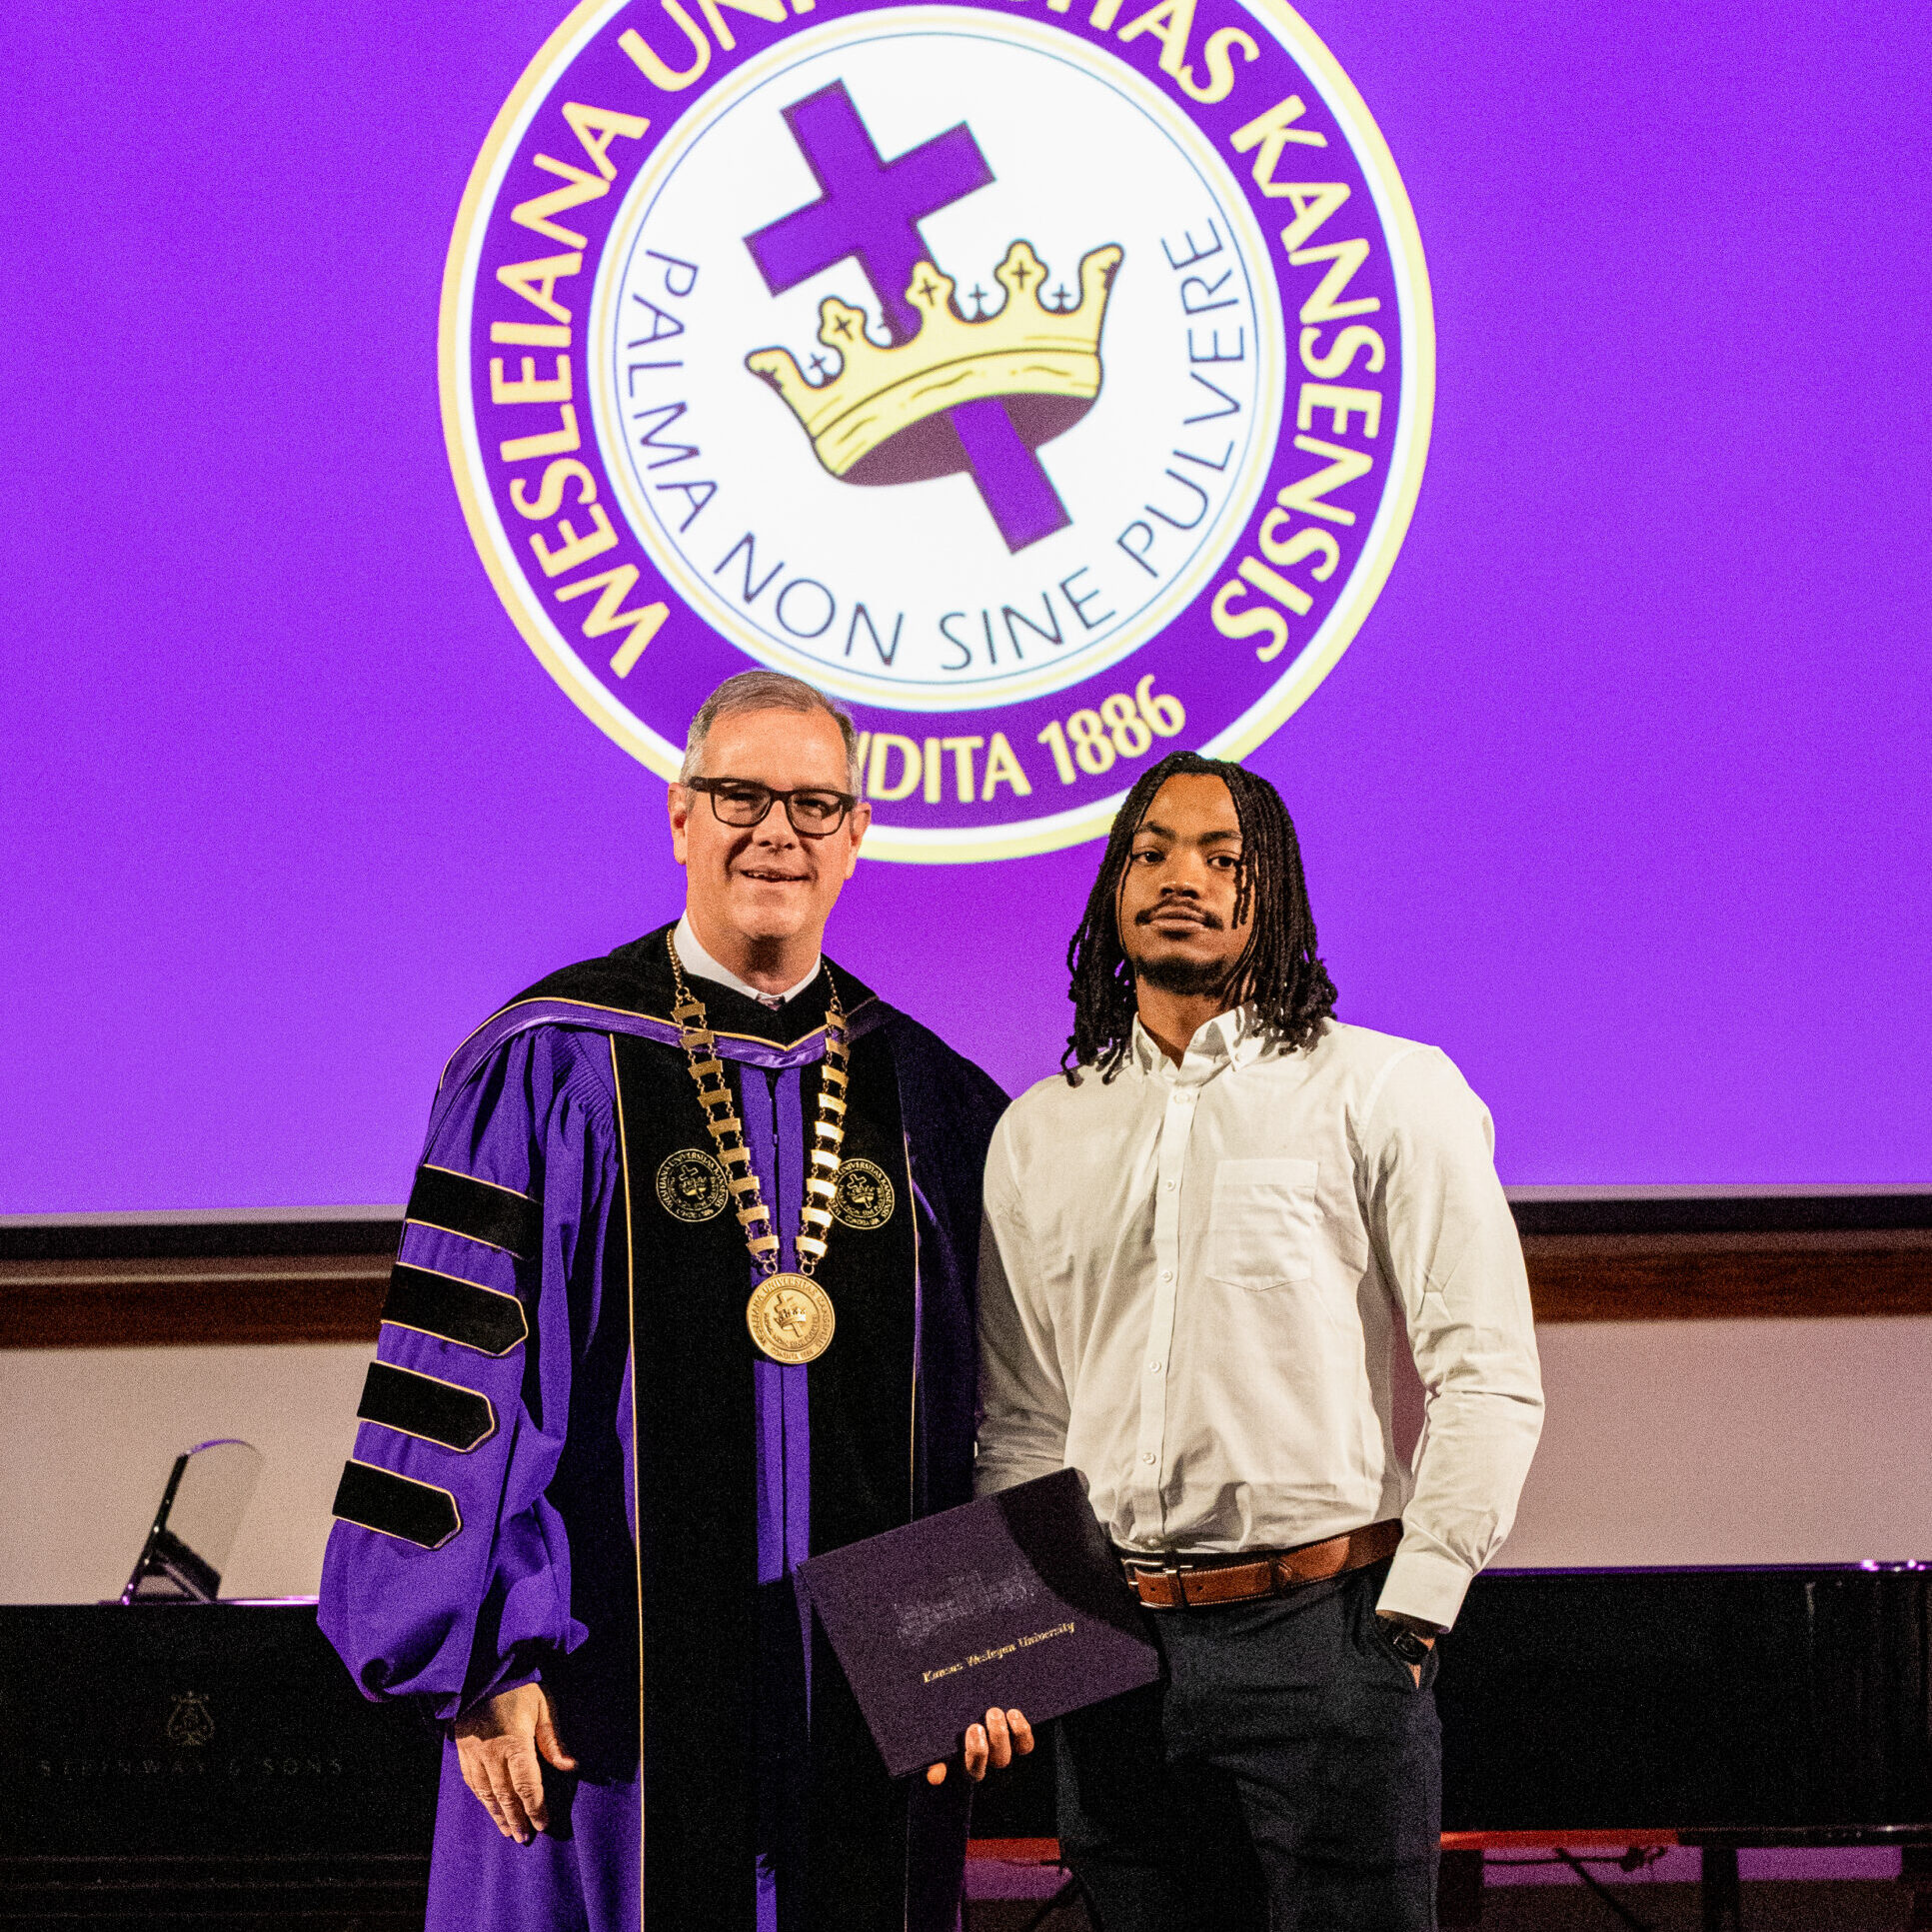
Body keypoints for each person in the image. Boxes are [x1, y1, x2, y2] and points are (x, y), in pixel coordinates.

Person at [320, 670, 1029, 1932]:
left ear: (858, 837)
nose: (778, 832)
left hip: (858, 1718)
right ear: (680, 815)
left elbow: (998, 1405)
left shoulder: (935, 1103)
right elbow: (461, 1384)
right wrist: (484, 1658)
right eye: (742, 794)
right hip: (598, 1706)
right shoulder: (549, 1065)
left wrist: (976, 1649)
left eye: (815, 804)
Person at [974, 751, 1544, 1931]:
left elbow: (1483, 1376)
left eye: (1220, 856)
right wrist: (1043, 1639)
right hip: (1114, 1649)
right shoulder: (1039, 1131)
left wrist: (1411, 1615)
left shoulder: (1386, 1090)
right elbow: (1022, 1421)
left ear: (1270, 888)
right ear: (1110, 889)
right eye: (1150, 851)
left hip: (1324, 1643)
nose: (1180, 877)